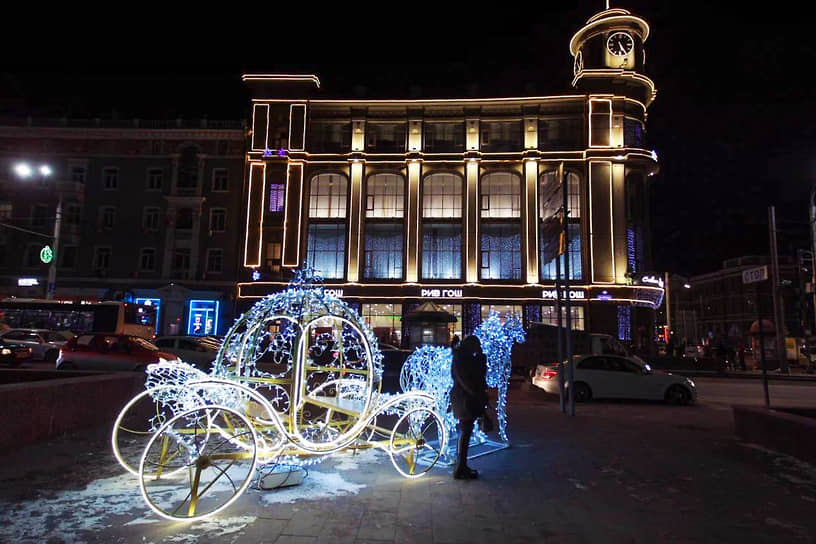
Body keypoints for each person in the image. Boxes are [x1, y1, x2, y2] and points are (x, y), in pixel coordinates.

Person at [450, 334, 488, 480]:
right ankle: (460, 468)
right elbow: (468, 378)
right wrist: (474, 393)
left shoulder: (464, 357)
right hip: (464, 400)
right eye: (476, 346)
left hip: (465, 398)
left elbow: (478, 375)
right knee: (465, 432)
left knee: (466, 432)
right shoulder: (462, 358)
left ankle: (462, 466)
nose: (477, 349)